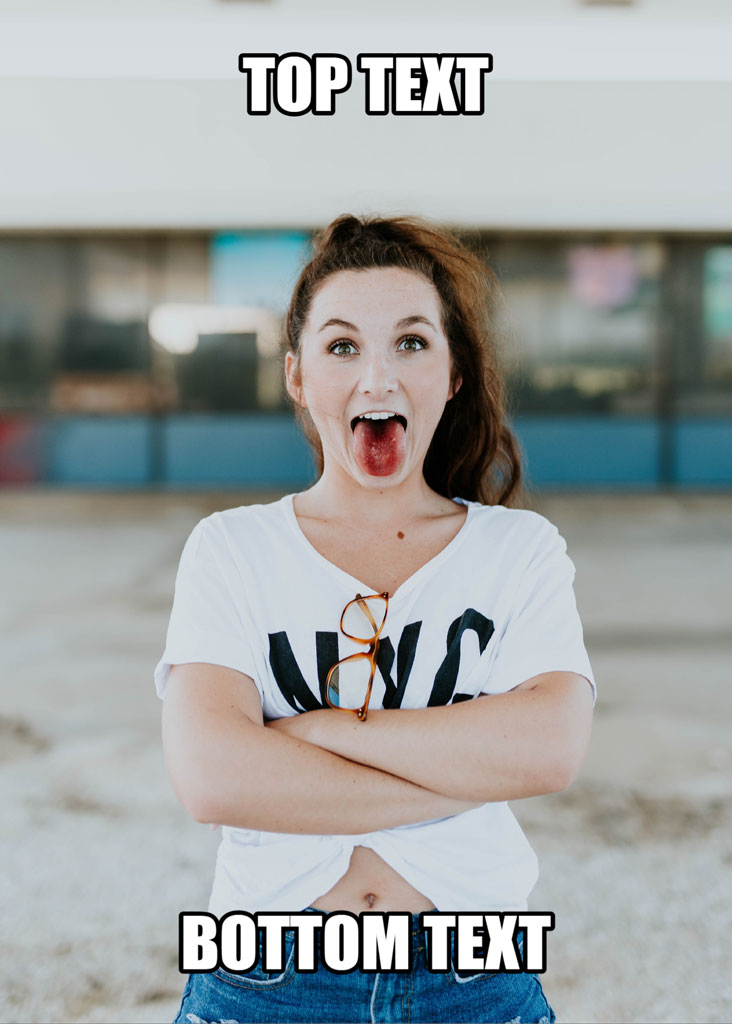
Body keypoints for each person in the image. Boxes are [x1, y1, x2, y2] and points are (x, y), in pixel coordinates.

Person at [154, 214, 595, 1024]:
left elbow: (549, 750)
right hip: (265, 978)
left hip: (474, 977)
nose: (378, 378)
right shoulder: (231, 549)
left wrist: (320, 733)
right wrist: (461, 768)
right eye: (343, 345)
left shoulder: (518, 550)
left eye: (413, 342)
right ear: (297, 376)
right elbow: (214, 776)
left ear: (454, 373)